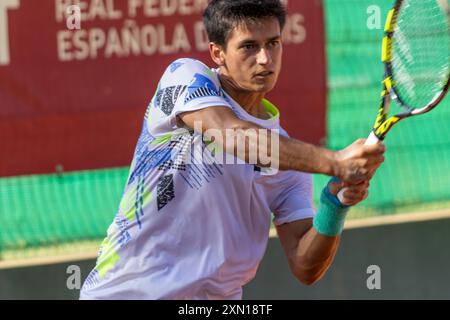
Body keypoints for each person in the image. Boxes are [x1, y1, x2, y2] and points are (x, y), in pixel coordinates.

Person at [80, 0, 385, 300]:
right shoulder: (185, 77)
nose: (265, 59)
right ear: (218, 52)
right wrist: (334, 162)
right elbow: (230, 133)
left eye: (273, 43)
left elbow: (305, 267)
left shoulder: (288, 158)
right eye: (249, 46)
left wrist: (334, 204)